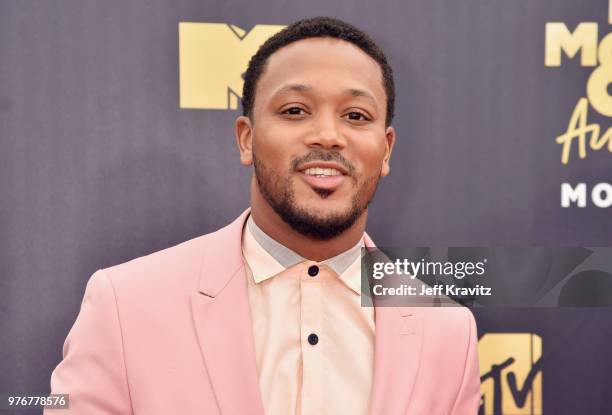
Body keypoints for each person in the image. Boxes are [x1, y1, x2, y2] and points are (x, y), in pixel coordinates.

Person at [46, 16, 480, 415]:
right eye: (295, 110)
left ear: (385, 149)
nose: (328, 135)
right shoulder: (124, 304)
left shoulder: (447, 329)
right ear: (246, 139)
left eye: (355, 115)